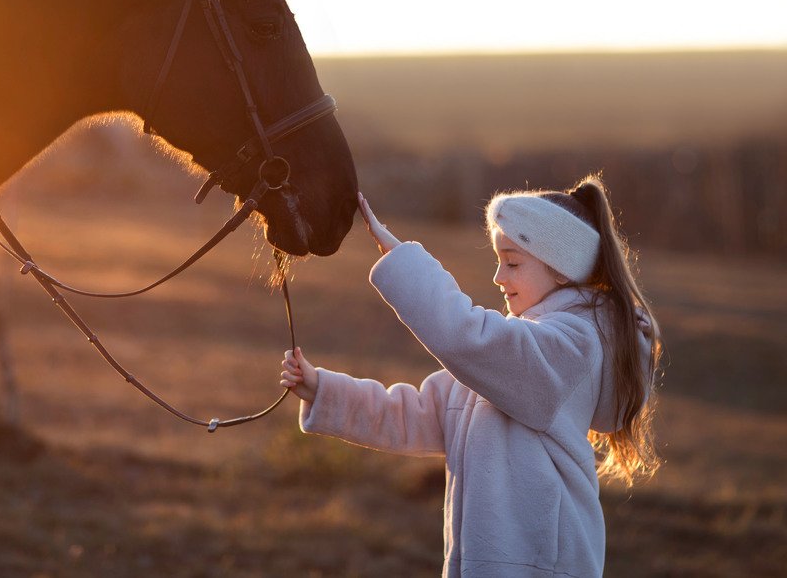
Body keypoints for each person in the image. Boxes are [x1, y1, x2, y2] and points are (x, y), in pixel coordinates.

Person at [280, 174, 662, 577]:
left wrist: (401, 257)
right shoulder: (511, 355)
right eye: (499, 262)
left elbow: (464, 335)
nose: (499, 277)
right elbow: (414, 413)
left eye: (513, 262)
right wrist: (322, 389)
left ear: (562, 271)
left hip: (539, 567)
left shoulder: (571, 347)